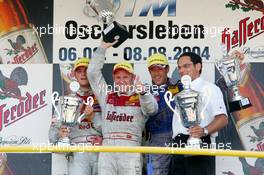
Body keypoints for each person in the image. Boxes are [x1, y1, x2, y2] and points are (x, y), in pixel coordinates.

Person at [87, 40, 158, 175]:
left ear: (132, 78)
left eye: (125, 76)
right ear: (113, 78)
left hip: (130, 147)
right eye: (118, 77)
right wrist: (102, 48)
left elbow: (152, 110)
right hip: (107, 149)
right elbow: (92, 73)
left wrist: (143, 92)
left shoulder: (141, 95)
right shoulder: (107, 95)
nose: (122, 80)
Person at [169, 52, 228, 175]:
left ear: (198, 67)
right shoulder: (180, 92)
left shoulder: (210, 88)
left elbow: (222, 118)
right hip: (178, 145)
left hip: (201, 144)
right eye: (179, 67)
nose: (181, 70)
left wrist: (204, 131)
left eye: (186, 66)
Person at [49, 58, 102, 175]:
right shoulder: (67, 100)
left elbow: (111, 129)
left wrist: (93, 116)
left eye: (86, 71)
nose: (83, 74)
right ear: (74, 74)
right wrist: (60, 134)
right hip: (77, 153)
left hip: (101, 152)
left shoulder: (102, 97)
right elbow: (52, 135)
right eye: (79, 71)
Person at [145, 53, 182, 175]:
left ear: (167, 69)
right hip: (156, 138)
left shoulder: (179, 86)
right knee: (158, 173)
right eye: (153, 69)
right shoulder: (145, 92)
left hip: (180, 137)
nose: (156, 73)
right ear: (149, 72)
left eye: (160, 69)